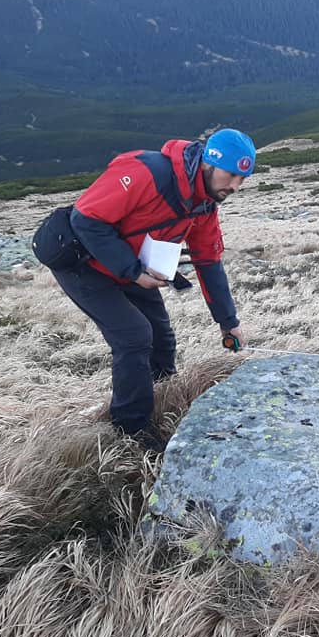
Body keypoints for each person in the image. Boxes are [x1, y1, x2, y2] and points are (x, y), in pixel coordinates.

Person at [49, 129, 255, 451]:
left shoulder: (203, 205)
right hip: (84, 264)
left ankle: (159, 399)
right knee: (134, 336)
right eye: (231, 175)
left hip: (131, 268)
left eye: (243, 179)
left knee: (161, 336)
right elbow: (86, 219)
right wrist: (132, 272)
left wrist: (228, 321)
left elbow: (208, 261)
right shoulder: (149, 174)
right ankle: (131, 433)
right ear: (209, 163)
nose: (235, 187)